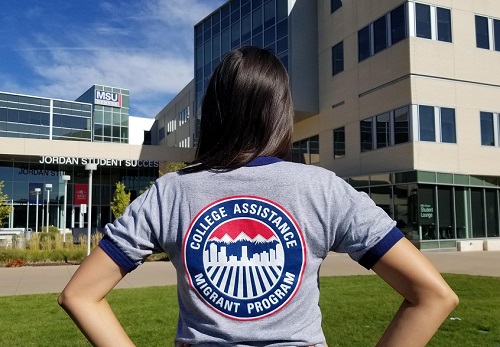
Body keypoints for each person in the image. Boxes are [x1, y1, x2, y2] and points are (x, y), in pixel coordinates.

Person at [58, 46, 458, 347]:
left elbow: (79, 295)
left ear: (212, 113)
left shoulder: (171, 192)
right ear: (280, 113)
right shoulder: (323, 189)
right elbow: (434, 296)